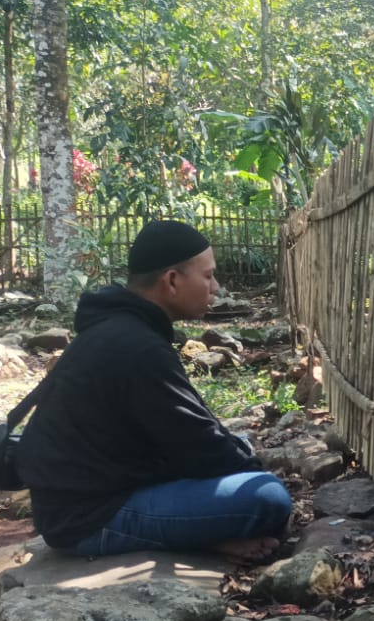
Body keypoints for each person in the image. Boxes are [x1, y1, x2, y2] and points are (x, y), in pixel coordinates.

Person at [16, 220, 292, 563]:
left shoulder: (120, 329)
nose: (216, 287)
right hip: (87, 519)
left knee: (241, 450)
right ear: (172, 281)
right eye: (208, 276)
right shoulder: (138, 347)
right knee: (266, 497)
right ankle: (202, 537)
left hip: (95, 495)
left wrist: (240, 456)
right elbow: (199, 445)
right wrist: (253, 469)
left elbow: (184, 433)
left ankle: (204, 534)